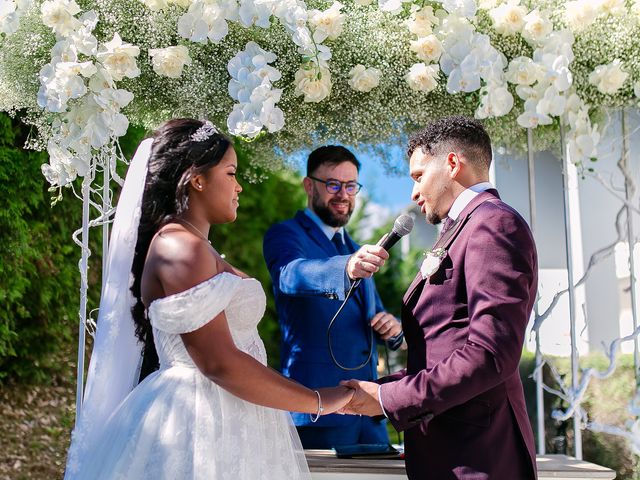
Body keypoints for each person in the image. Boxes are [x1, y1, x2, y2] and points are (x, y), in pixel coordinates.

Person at [64, 119, 354, 480]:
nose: (240, 186)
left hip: (232, 415)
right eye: (231, 173)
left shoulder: (197, 246)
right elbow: (219, 363)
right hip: (196, 422)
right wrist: (319, 401)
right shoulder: (179, 247)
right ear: (197, 179)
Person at [341, 116, 538, 479]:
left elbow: (491, 354)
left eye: (418, 176)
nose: (414, 193)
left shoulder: (492, 224)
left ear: (452, 163)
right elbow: (447, 347)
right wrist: (378, 393)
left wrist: (390, 400)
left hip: (478, 458)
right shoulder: (464, 228)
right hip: (450, 453)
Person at [263, 145, 404, 449]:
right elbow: (289, 275)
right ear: (309, 185)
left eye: (350, 185)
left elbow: (374, 315)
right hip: (316, 407)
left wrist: (392, 328)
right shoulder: (286, 234)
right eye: (333, 184)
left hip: (368, 412)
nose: (343, 194)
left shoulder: (356, 246)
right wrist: (346, 267)